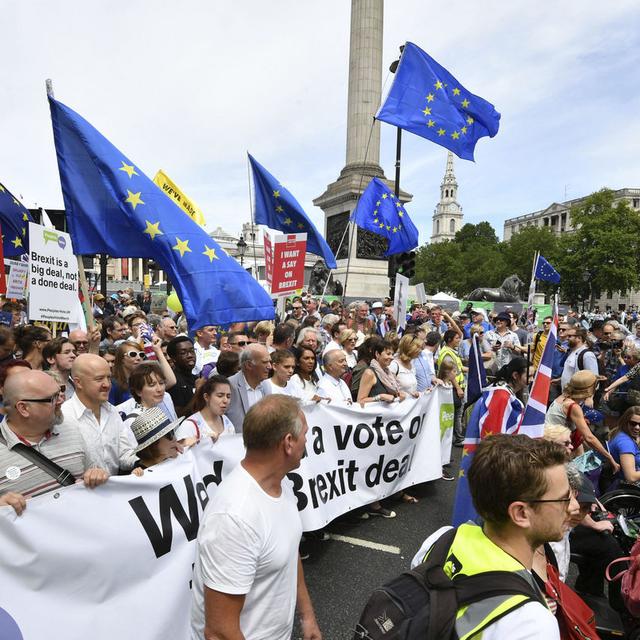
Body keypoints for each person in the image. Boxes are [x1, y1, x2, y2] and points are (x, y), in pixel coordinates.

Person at [413, 434, 579, 639]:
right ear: (521, 514)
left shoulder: (441, 540)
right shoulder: (532, 624)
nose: (574, 507)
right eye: (564, 498)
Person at [190, 395, 321, 640]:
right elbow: (219, 632)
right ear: (288, 443)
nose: (308, 439)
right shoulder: (234, 517)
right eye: (305, 433)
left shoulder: (281, 485)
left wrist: (307, 616)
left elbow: (289, 550)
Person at [0, 369, 109, 514]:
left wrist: (97, 476)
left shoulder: (71, 428)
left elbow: (92, 472)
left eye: (60, 392)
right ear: (23, 408)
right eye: (52, 398)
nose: (61, 400)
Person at [62, 354, 137, 475]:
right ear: (78, 382)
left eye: (108, 377)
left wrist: (142, 462)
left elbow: (124, 454)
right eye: (99, 379)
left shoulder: (112, 411)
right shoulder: (64, 418)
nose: (107, 384)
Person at [545, 370, 619, 471]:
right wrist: (610, 458)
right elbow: (589, 437)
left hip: (554, 444)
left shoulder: (564, 397)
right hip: (556, 449)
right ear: (590, 389)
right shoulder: (572, 406)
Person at [116, 361, 178, 429]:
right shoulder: (131, 417)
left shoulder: (166, 397)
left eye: (161, 383)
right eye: (152, 385)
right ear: (138, 391)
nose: (159, 389)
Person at [226, 344, 272, 432]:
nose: (269, 366)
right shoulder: (230, 386)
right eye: (265, 362)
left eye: (270, 362)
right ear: (249, 365)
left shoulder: (266, 385)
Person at [176, 375, 235, 443]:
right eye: (220, 396)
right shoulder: (189, 426)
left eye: (228, 396)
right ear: (206, 397)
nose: (225, 400)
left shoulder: (227, 422)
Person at [128, 407, 184, 474]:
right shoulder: (140, 474)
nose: (175, 439)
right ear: (153, 444)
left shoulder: (171, 457)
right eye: (169, 434)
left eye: (173, 431)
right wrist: (136, 478)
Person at [437, 329, 467, 445]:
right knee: (456, 414)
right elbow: (450, 373)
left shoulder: (452, 351)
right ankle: (458, 438)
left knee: (457, 413)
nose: (459, 340)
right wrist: (458, 388)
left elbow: (458, 368)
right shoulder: (447, 354)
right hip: (454, 387)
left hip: (457, 386)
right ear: (450, 340)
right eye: (456, 338)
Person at [357, 338, 407, 406]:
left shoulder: (389, 373)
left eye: (392, 354)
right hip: (375, 415)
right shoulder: (369, 373)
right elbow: (360, 401)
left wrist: (400, 395)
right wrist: (380, 397)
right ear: (377, 354)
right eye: (388, 354)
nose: (392, 357)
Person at [607, 405, 640, 485]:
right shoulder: (625, 443)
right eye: (633, 423)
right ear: (625, 421)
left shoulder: (620, 433)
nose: (637, 427)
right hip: (628, 486)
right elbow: (631, 477)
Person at [166, 336, 198, 417]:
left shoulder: (197, 379)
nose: (190, 355)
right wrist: (198, 392)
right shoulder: (173, 382)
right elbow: (179, 416)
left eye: (192, 351)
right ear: (173, 359)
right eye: (183, 353)